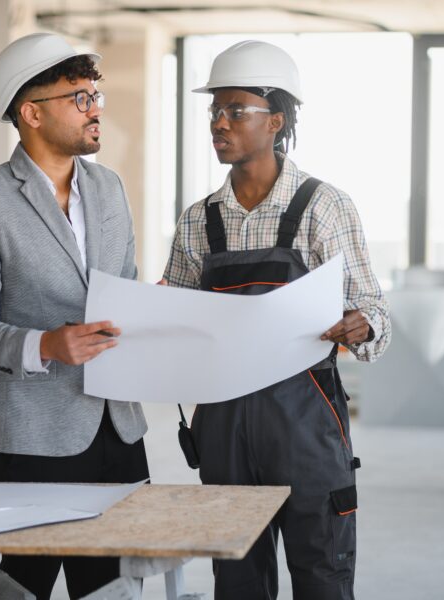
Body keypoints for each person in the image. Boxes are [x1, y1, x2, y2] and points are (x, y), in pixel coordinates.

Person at [163, 40, 391, 600]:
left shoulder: (324, 206)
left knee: (322, 578)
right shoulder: (199, 221)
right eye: (214, 110)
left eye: (235, 110)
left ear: (277, 120)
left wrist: (361, 324)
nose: (219, 122)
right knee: (237, 581)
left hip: (306, 430)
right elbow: (179, 328)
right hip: (223, 431)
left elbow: (376, 313)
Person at [0, 33, 148, 600]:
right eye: (79, 97)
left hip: (119, 424)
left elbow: (122, 288)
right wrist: (45, 346)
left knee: (113, 585)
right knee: (26, 584)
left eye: (96, 94)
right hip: (35, 432)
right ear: (31, 113)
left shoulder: (109, 189)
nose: (96, 108)